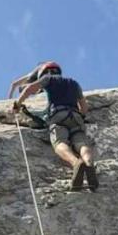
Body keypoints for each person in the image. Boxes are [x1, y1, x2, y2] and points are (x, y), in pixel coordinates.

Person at [12, 62, 98, 191]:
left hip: (58, 116)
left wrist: (17, 104)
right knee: (81, 143)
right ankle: (89, 163)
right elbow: (84, 107)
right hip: (76, 117)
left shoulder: (48, 79)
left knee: (59, 142)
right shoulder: (74, 83)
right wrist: (79, 116)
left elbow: (29, 89)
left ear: (45, 72)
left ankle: (76, 163)